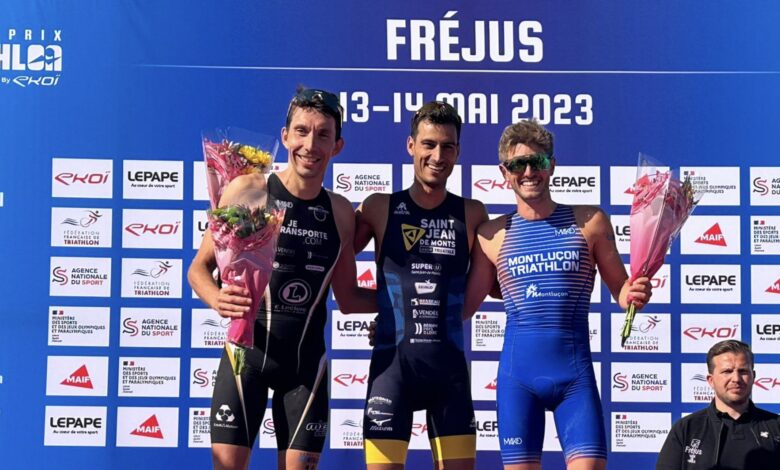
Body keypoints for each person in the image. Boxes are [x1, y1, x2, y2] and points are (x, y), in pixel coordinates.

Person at [189, 87, 375, 470]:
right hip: (246, 360)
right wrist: (215, 297)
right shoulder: (250, 190)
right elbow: (199, 269)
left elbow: (350, 297)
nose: (311, 144)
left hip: (306, 369)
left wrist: (403, 309)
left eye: (323, 134)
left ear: (337, 145)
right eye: (302, 132)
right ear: (286, 135)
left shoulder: (340, 211)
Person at [463, 119, 653, 470]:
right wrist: (395, 317)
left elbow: (622, 292)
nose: (529, 171)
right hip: (517, 381)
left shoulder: (590, 221)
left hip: (574, 378)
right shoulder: (491, 234)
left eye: (539, 162)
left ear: (553, 165)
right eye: (519, 164)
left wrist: (637, 292)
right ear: (505, 172)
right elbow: (465, 306)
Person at [354, 101, 489, 470]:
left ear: (458, 152)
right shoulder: (378, 208)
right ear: (410, 145)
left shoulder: (473, 213)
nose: (437, 155)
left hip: (449, 377)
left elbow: (494, 283)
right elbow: (325, 261)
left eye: (447, 146)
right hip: (391, 374)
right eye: (428, 144)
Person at [656, 340, 780, 469]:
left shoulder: (776, 427)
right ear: (711, 380)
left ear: (753, 376)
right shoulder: (687, 428)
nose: (736, 379)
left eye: (743, 371)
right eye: (727, 371)